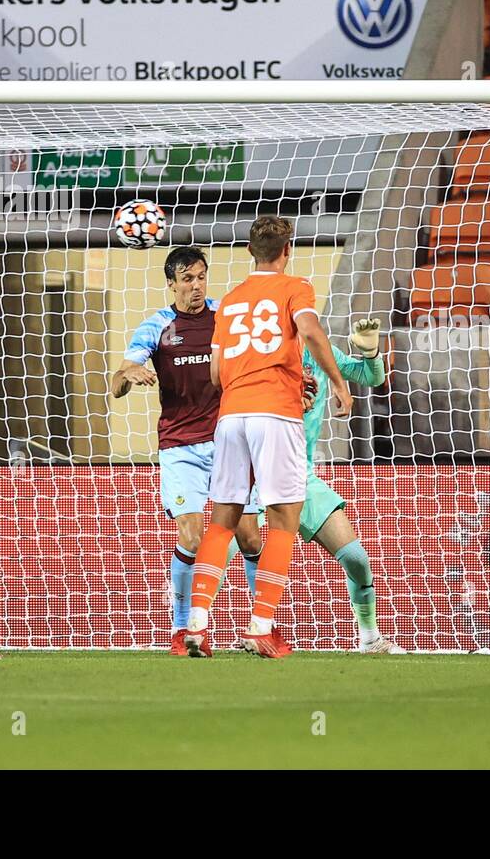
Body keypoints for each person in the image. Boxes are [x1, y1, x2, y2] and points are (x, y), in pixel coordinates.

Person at [185, 216, 352, 658]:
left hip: (231, 416)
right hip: (274, 415)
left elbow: (216, 373)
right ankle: (261, 626)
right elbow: (312, 332)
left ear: (249, 252)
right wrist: (336, 381)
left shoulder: (233, 301)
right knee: (283, 521)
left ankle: (197, 624)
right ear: (287, 249)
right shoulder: (295, 286)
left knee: (221, 520)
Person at [111, 246, 262, 656]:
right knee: (192, 536)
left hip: (230, 440)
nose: (196, 287)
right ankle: (182, 630)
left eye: (201, 277)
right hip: (180, 445)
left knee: (249, 537)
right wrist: (130, 373)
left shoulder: (226, 316)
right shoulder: (157, 325)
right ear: (172, 284)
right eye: (187, 279)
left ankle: (259, 627)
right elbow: (116, 383)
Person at [226, 318, 404, 654]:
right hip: (253, 475)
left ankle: (370, 638)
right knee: (220, 557)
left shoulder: (320, 351)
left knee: (357, 560)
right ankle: (196, 628)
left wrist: (370, 352)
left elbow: (372, 378)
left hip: (299, 476)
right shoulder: (255, 353)